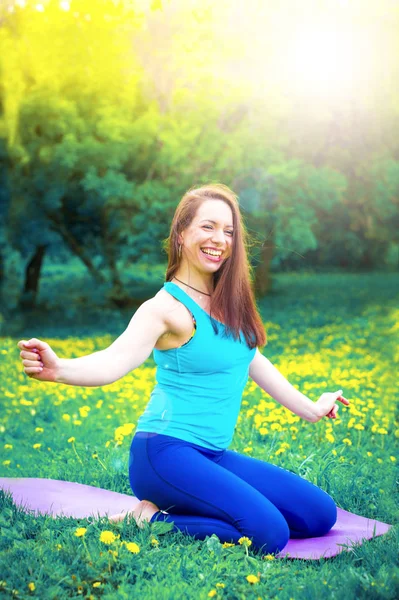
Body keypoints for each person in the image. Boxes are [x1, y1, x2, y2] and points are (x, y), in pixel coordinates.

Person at [17, 183, 349, 556]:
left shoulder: (227, 302)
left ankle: (198, 505)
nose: (219, 239)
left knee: (318, 514)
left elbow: (251, 359)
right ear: (180, 234)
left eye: (228, 231)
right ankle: (146, 519)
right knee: (268, 532)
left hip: (213, 455)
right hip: (163, 455)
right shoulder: (165, 309)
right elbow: (115, 359)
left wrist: (312, 408)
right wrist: (59, 368)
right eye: (207, 227)